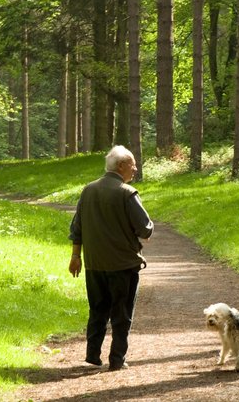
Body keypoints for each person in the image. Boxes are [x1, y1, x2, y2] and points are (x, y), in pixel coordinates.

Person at [68, 145, 154, 371]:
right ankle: (117, 359)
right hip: (123, 265)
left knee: (97, 309)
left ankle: (93, 354)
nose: (135, 169)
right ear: (122, 165)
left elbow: (76, 227)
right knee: (121, 314)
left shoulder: (88, 190)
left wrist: (75, 256)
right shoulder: (127, 193)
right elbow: (145, 228)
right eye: (133, 164)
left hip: (94, 265)